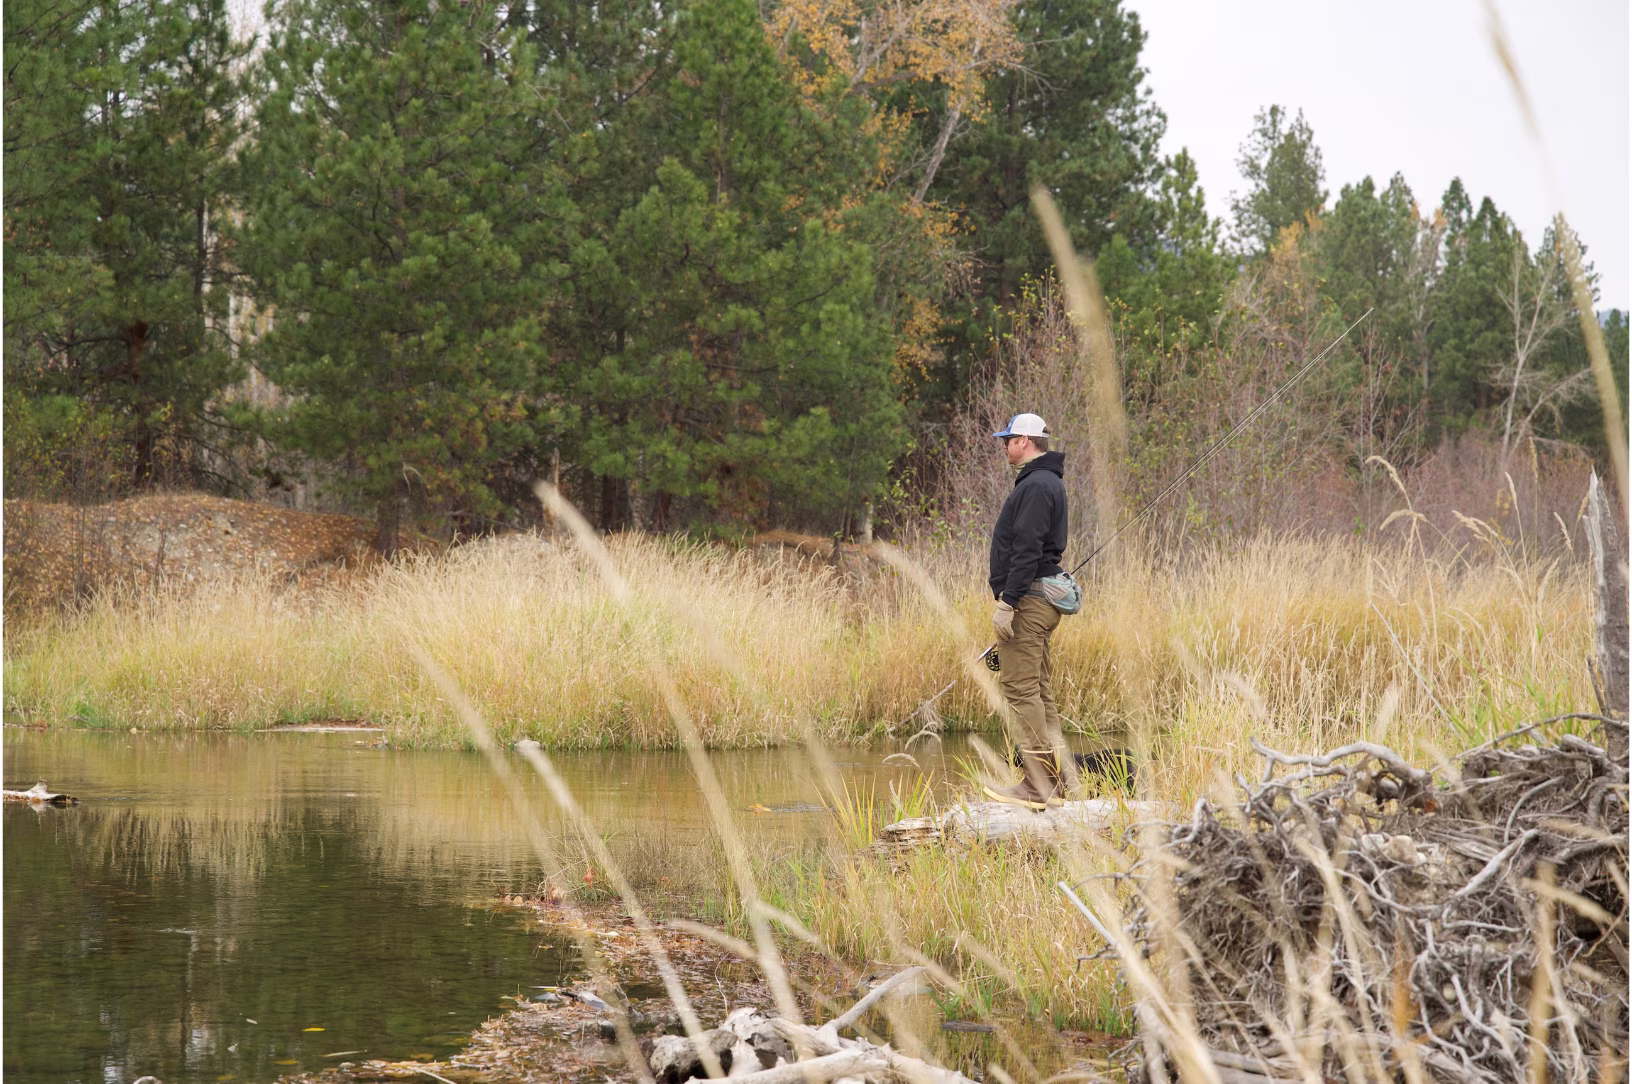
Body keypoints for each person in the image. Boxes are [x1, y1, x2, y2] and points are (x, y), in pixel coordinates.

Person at [983, 412, 1070, 810]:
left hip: (1029, 602)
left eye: (1008, 439)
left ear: (1025, 440)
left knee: (1021, 690)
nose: (1004, 446)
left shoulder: (1036, 485)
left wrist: (1008, 603)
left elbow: (1027, 549)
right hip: (1037, 599)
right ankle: (1057, 780)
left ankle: (1038, 786)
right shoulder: (1043, 481)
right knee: (1038, 690)